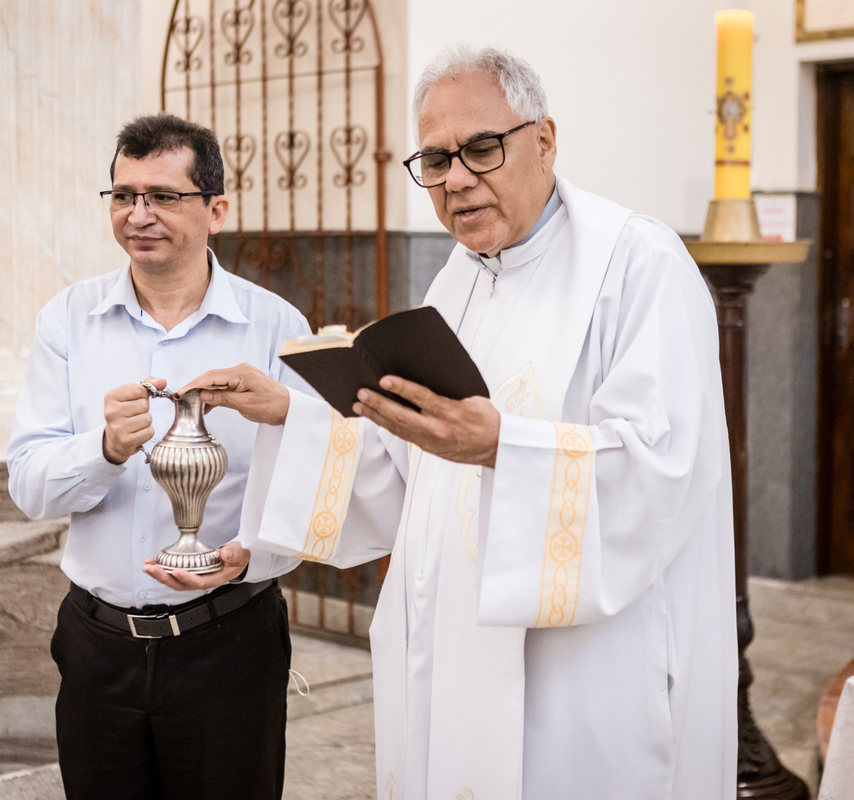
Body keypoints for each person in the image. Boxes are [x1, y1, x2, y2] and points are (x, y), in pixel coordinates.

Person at [169, 46, 738, 799]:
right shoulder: (459, 275)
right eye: (435, 160)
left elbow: (663, 467)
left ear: (545, 140)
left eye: (480, 148)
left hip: (578, 674)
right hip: (448, 643)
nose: (458, 179)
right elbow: (416, 464)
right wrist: (292, 414)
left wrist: (504, 446)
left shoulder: (636, 263)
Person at [6, 113, 308, 800]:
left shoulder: (277, 329)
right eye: (124, 195)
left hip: (228, 642)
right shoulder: (67, 322)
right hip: (99, 646)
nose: (138, 215)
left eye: (163, 196)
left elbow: (312, 482)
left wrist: (250, 555)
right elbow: (28, 485)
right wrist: (106, 448)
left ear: (216, 209)